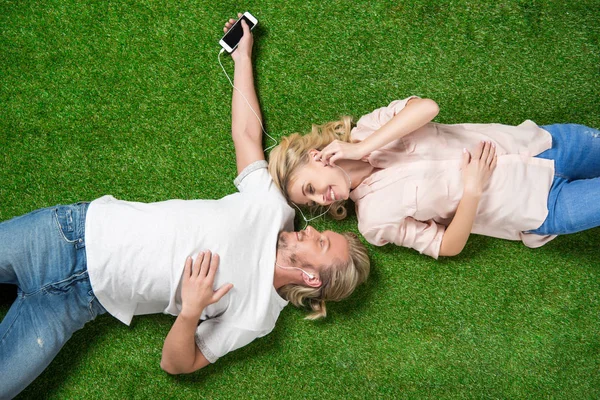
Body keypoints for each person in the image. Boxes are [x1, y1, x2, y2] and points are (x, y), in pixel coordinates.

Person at [0, 16, 370, 398]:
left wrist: (192, 310)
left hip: (77, 302)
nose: (310, 229)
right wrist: (243, 56)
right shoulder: (273, 208)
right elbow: (246, 134)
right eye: (322, 232)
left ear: (312, 278)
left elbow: (177, 364)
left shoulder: (258, 316)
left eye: (321, 243)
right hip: (67, 235)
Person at [268, 95, 600, 259]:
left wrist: (362, 148)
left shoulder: (370, 127)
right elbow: (446, 246)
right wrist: (472, 190)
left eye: (309, 187)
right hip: (540, 207)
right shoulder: (374, 221)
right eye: (310, 201)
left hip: (546, 144)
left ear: (316, 157)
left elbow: (427, 108)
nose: (320, 199)